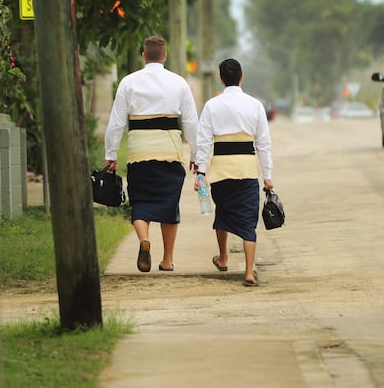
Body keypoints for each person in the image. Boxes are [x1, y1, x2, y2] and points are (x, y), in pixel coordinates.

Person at [104, 36, 198, 273]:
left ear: (144, 56)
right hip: (170, 153)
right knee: (169, 206)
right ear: (164, 57)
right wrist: (197, 156)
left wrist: (111, 153)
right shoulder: (179, 83)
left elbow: (116, 123)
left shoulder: (129, 82)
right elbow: (191, 124)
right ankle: (167, 260)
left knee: (140, 203)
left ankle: (144, 240)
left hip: (139, 153)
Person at [194, 58, 273, 287]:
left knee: (223, 213)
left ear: (221, 79)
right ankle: (249, 271)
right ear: (241, 77)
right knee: (249, 223)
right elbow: (264, 144)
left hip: (220, 172)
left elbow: (204, 142)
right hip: (247, 170)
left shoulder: (212, 106)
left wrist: (201, 172)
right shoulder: (255, 105)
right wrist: (267, 176)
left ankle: (224, 257)